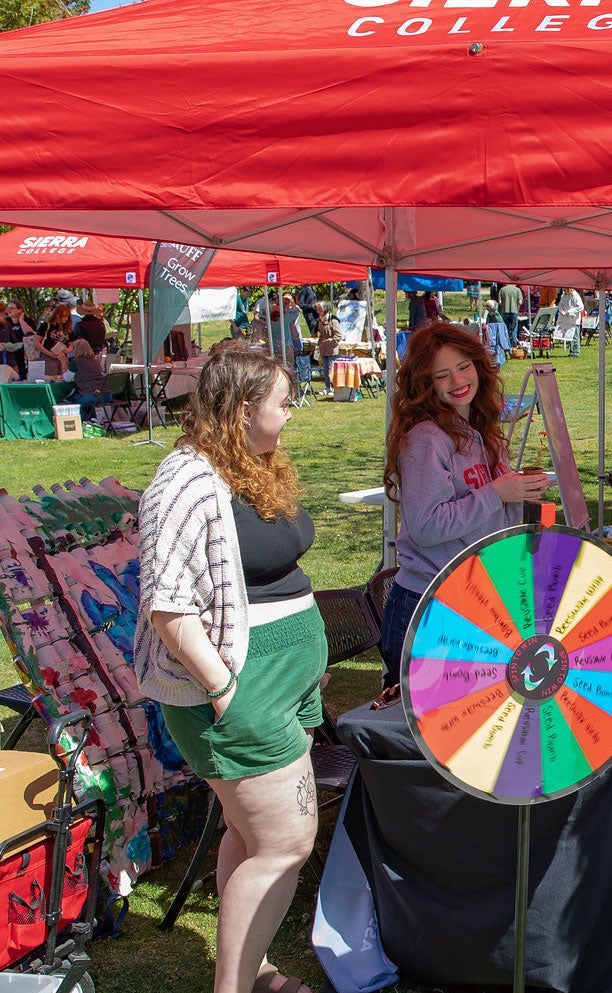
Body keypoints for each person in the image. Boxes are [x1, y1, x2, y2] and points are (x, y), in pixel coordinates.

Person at [134, 346, 326, 993]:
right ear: (245, 408)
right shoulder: (183, 481)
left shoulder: (252, 465)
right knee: (285, 841)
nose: (290, 413)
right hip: (240, 692)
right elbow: (168, 604)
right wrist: (222, 688)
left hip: (283, 685)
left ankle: (254, 968)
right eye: (282, 401)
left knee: (253, 835)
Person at [380, 325, 549, 699]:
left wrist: (520, 494)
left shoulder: (481, 430)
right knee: (429, 738)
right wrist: (496, 493)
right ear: (425, 383)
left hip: (477, 599)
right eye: (442, 375)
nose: (458, 380)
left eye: (464, 366)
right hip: (430, 606)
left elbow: (490, 519)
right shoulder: (425, 440)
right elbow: (426, 526)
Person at [64, 338, 110, 419]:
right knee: (87, 403)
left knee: (72, 401)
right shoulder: (95, 361)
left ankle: (86, 423)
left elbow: (67, 378)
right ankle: (93, 421)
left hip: (91, 394)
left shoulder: (76, 361)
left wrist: (63, 364)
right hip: (106, 394)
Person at [34, 303, 73, 378]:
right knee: (51, 378)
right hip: (48, 357)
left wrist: (68, 350)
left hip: (63, 358)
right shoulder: (46, 325)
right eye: (63, 316)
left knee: (63, 378)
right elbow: (36, 342)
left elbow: (71, 344)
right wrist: (48, 353)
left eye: (67, 317)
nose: (65, 318)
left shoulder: (68, 328)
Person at [0, 300, 29, 375]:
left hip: (10, 361)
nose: (3, 315)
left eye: (2, 313)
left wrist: (14, 347)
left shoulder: (7, 324)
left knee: (15, 381)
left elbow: (14, 340)